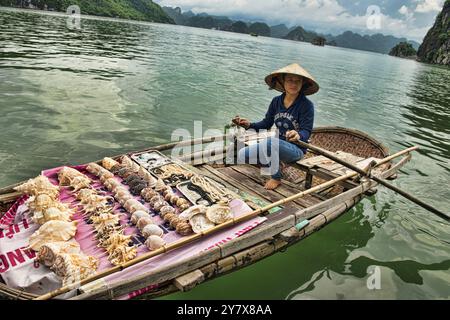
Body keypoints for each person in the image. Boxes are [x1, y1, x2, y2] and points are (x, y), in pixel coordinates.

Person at [232, 63, 319, 190]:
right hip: (276, 145)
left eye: (297, 81)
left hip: (296, 149)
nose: (293, 84)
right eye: (289, 80)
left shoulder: (306, 105)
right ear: (282, 81)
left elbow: (307, 131)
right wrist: (248, 125)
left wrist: (298, 134)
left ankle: (276, 178)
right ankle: (276, 163)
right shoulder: (276, 101)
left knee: (269, 143)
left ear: (302, 84)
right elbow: (266, 124)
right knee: (242, 154)